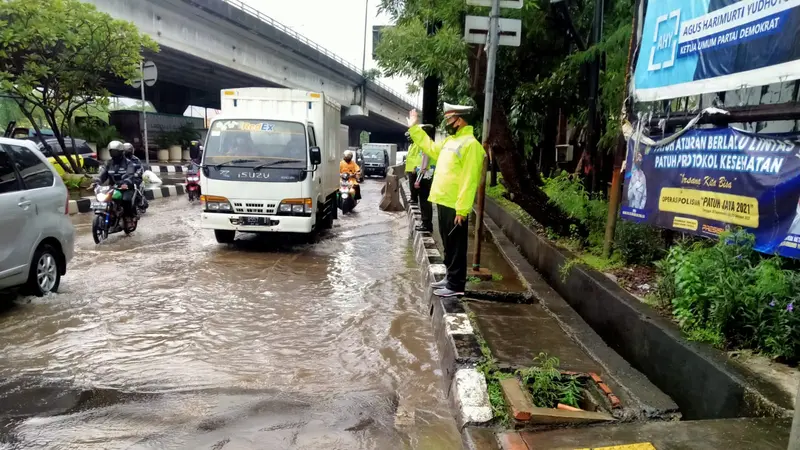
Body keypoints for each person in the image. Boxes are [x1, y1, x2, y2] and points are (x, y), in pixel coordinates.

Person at [407, 103, 486, 298]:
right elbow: (430, 148)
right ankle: (450, 277)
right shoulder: (450, 141)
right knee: (448, 243)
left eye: (450, 120)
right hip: (442, 200)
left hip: (455, 204)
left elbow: (469, 180)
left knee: (457, 245)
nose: (447, 124)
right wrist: (414, 128)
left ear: (460, 120)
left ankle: (456, 284)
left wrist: (462, 209)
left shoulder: (471, 145)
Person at [94, 140, 138, 228]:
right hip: (112, 188)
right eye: (111, 151)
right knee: (101, 198)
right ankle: (108, 215)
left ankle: (128, 217)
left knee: (126, 200)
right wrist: (97, 181)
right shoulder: (108, 163)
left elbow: (130, 175)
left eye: (115, 152)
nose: (113, 154)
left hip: (126, 188)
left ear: (121, 152)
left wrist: (126, 182)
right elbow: (103, 174)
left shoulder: (129, 163)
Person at [413, 125, 436, 232]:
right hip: (429, 176)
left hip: (425, 177)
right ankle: (426, 223)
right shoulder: (431, 144)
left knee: (424, 201)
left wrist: (418, 180)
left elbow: (424, 166)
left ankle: (426, 223)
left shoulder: (427, 146)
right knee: (426, 201)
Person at [123, 142, 148, 212]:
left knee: (135, 187)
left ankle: (140, 200)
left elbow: (140, 169)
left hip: (134, 178)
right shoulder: (119, 159)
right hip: (123, 178)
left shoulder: (135, 159)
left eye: (128, 151)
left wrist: (136, 174)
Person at [405, 132, 423, 204]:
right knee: (411, 184)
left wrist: (415, 167)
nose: (409, 138)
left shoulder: (417, 145)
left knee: (413, 184)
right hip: (409, 168)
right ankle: (412, 197)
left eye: (410, 136)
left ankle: (414, 199)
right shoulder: (411, 146)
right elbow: (409, 158)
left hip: (414, 169)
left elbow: (418, 157)